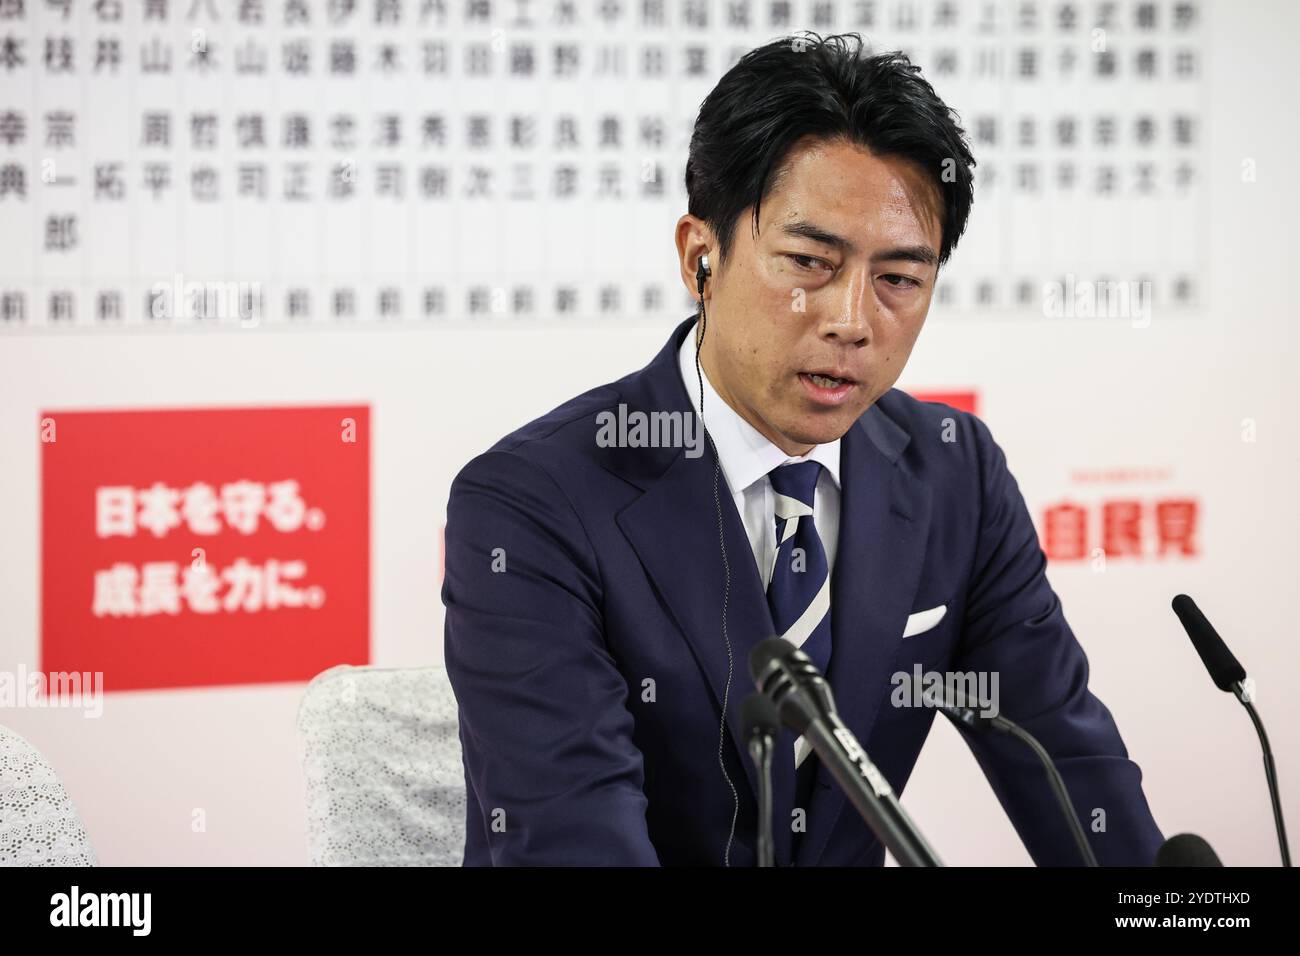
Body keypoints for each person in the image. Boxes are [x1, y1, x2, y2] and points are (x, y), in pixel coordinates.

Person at [442, 32, 1164, 866]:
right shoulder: (534, 501)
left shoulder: (953, 474)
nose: (853, 321)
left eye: (899, 279)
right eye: (810, 263)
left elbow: (1073, 773)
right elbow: (576, 843)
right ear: (699, 256)